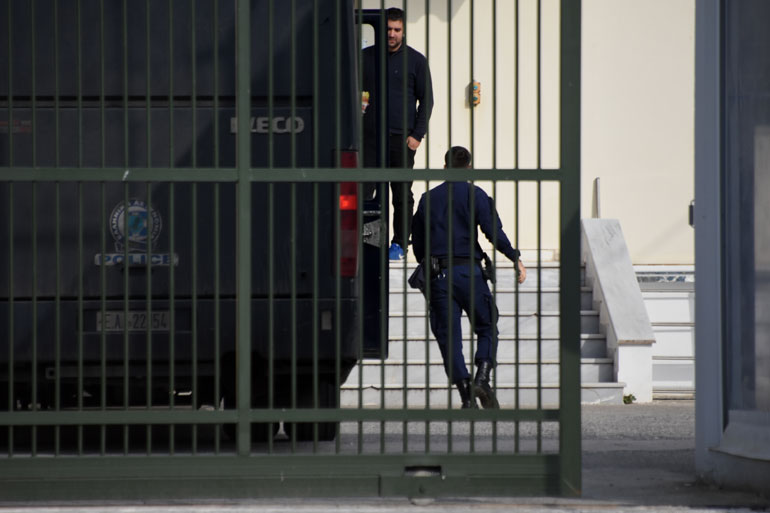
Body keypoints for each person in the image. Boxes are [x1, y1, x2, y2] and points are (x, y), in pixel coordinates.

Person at [411, 146, 527, 409]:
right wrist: (514, 257)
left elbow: (418, 240)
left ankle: (466, 395)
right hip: (469, 273)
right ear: (469, 168)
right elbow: (493, 232)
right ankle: (482, 378)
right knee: (487, 326)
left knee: (448, 336)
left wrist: (427, 263)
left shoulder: (428, 199)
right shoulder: (476, 195)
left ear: (444, 168)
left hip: (439, 276)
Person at [362, 7, 434, 261]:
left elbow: (427, 101)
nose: (391, 34)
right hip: (370, 139)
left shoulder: (416, 61)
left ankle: (400, 243)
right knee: (366, 191)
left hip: (401, 139)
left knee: (402, 194)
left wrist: (417, 136)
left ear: (403, 31)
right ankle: (369, 240)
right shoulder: (365, 57)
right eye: (388, 29)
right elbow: (357, 93)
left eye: (396, 29)